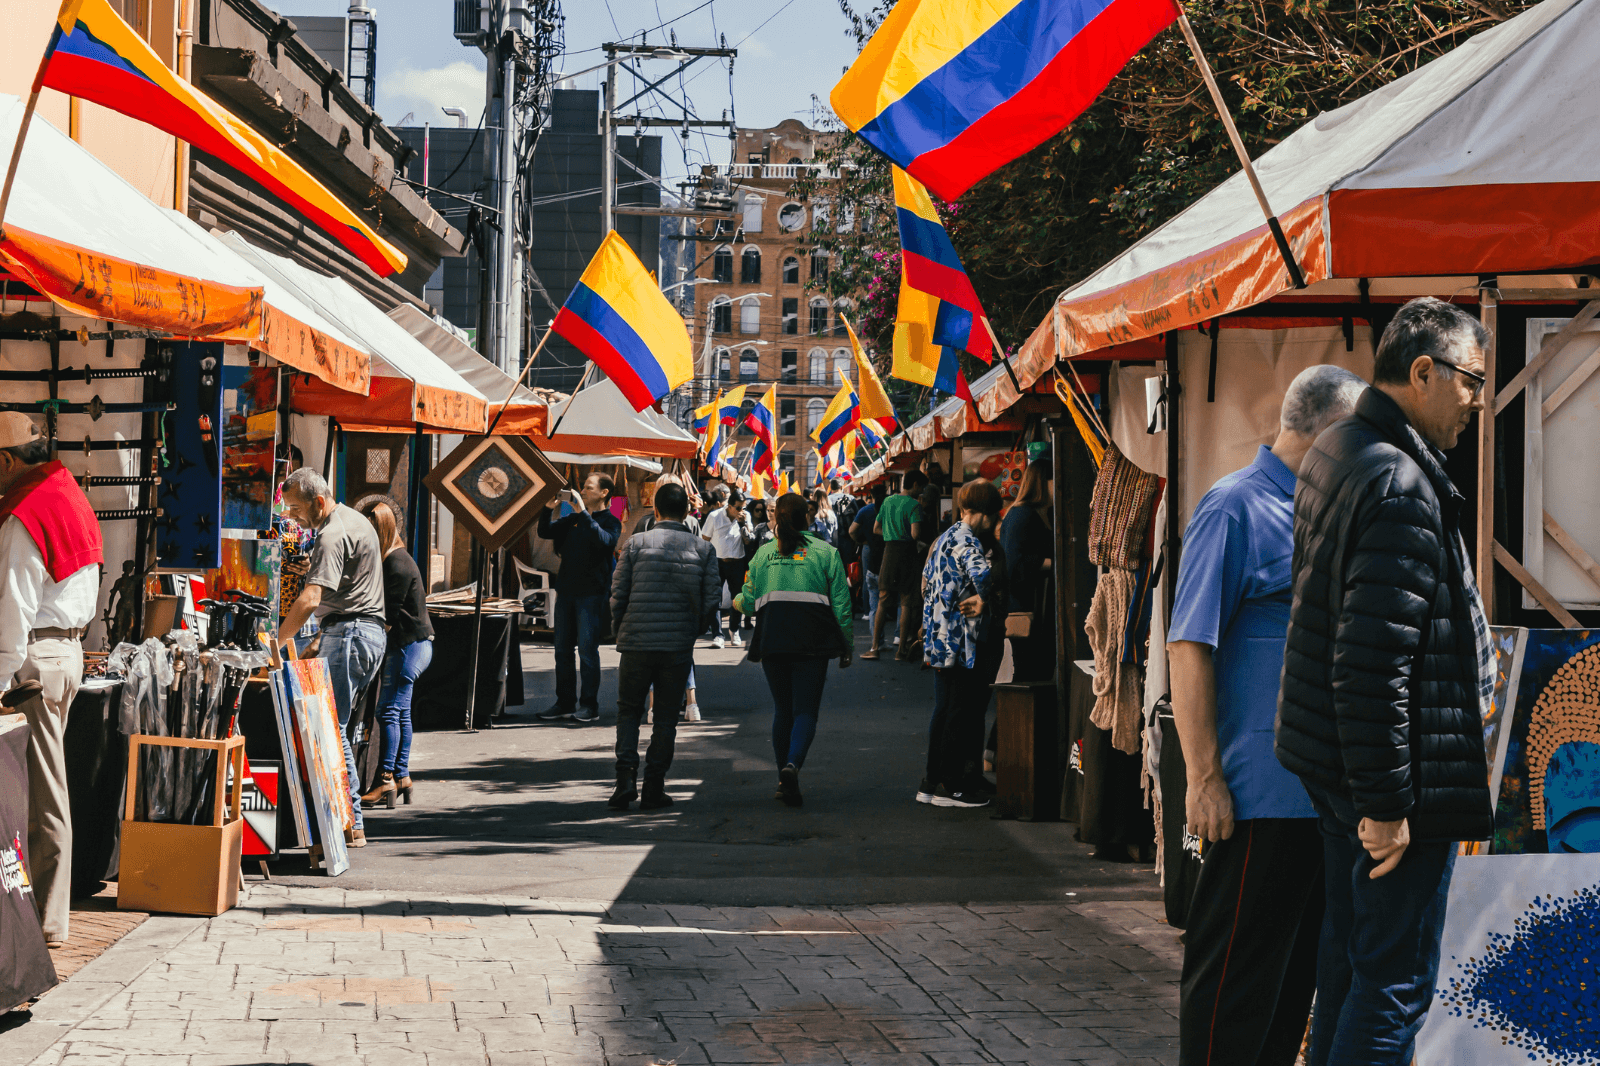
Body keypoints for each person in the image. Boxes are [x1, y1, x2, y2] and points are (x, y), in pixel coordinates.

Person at [1277, 298, 1495, 1066]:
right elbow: (1372, 662)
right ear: (1424, 371)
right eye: (1472, 380)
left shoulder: (1340, 445)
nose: (1479, 400)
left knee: (1351, 964)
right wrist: (1386, 805)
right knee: (1393, 986)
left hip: (1337, 766)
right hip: (1387, 783)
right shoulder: (1396, 478)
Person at [1167, 366, 1366, 1066]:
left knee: (1293, 987)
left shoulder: (1328, 515)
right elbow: (1188, 646)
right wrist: (1203, 779)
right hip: (1258, 795)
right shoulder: (1235, 508)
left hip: (1322, 798)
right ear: (1327, 433)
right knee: (1235, 986)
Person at [0, 415, 101, 947]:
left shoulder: (25, 514)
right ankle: (44, 914)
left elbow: (13, 607)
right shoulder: (70, 495)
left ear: (8, 461)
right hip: (64, 649)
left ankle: (47, 922)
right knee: (44, 785)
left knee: (42, 791)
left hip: (36, 654)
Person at [277, 467, 387, 848]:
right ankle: (349, 820)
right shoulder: (356, 521)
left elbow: (311, 598)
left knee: (333, 728)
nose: (293, 517)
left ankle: (350, 822)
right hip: (363, 633)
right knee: (342, 727)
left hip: (352, 633)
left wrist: (275, 642)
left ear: (318, 502)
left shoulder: (331, 533)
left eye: (295, 510)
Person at [735, 493, 853, 808]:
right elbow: (842, 605)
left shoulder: (763, 555)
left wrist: (734, 602)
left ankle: (783, 780)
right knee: (805, 711)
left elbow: (747, 601)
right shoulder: (826, 553)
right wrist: (846, 644)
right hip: (812, 643)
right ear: (807, 519)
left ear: (776, 518)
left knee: (783, 711)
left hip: (773, 640)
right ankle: (793, 764)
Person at [608, 482, 720, 811]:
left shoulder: (635, 544)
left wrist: (620, 628)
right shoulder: (703, 549)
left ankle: (625, 779)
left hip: (636, 641)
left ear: (654, 510)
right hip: (677, 646)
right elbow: (711, 598)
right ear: (687, 513)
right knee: (666, 718)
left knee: (629, 711)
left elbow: (618, 593)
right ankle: (654, 786)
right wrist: (693, 629)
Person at [917, 479, 1005, 808]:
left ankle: (932, 780)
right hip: (962, 637)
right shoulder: (969, 540)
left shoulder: (944, 537)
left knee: (945, 710)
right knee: (959, 711)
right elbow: (985, 579)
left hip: (940, 634)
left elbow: (925, 581)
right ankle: (951, 787)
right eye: (995, 516)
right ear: (985, 513)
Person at [358, 502, 434, 810]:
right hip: (414, 644)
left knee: (387, 711)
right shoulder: (396, 558)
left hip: (408, 645)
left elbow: (385, 617)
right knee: (399, 711)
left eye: (369, 532)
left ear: (381, 531)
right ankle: (401, 776)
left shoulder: (396, 563)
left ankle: (385, 778)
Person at [535, 473, 622, 723]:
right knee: (562, 651)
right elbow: (544, 532)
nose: (582, 490)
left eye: (588, 487)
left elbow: (605, 542)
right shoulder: (571, 519)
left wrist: (583, 512)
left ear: (604, 493)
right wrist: (547, 509)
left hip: (592, 595)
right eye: (583, 487)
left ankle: (589, 706)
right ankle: (564, 703)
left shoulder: (611, 521)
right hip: (566, 592)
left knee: (587, 651)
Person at [634, 474, 702, 721]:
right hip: (680, 597)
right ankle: (689, 703)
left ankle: (660, 706)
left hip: (652, 597)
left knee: (655, 653)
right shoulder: (647, 523)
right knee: (682, 652)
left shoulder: (646, 524)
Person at [998, 460, 1056, 682]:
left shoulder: (1038, 513)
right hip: (1026, 607)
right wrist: (1051, 563)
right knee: (1028, 673)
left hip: (1035, 607)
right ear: (1043, 482)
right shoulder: (1023, 515)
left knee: (1034, 671)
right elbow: (1014, 564)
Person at [864, 470, 926, 661]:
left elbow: (876, 528)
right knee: (906, 602)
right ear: (915, 484)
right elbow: (916, 534)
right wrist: (918, 541)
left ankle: (874, 647)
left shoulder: (888, 501)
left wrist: (891, 535)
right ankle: (901, 650)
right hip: (907, 554)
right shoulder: (915, 505)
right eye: (921, 487)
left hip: (889, 553)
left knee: (883, 601)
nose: (921, 491)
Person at [702, 489, 754, 649]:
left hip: (737, 562)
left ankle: (734, 630)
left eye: (743, 507)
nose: (741, 511)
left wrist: (743, 523)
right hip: (717, 562)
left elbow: (748, 540)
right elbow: (705, 538)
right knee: (714, 598)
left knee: (737, 598)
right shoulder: (715, 516)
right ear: (729, 506)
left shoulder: (745, 517)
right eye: (738, 508)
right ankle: (717, 634)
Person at [850, 485, 887, 624]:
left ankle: (868, 611)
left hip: (868, 547)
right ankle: (885, 611)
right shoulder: (889, 507)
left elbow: (852, 531)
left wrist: (861, 541)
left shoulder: (865, 510)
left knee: (868, 579)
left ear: (871, 495)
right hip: (888, 546)